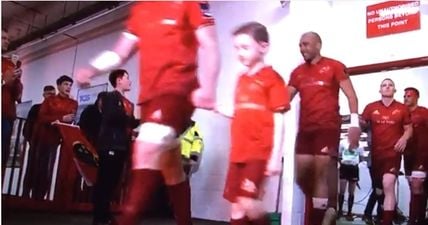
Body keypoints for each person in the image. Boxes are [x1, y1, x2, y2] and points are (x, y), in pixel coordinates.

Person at [75, 2, 220, 225]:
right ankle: (185, 221)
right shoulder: (141, 10)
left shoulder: (190, 3)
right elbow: (119, 53)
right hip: (151, 99)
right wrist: (92, 69)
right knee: (171, 166)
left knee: (148, 146)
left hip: (178, 90)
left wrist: (209, 86)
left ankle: (128, 219)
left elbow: (209, 45)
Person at [220, 21, 290, 225]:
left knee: (248, 202)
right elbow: (241, 113)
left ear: (263, 46)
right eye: (236, 48)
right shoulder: (241, 79)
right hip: (238, 153)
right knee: (236, 206)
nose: (240, 53)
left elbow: (279, 118)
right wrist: (216, 107)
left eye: (245, 47)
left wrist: (276, 157)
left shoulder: (272, 78)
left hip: (259, 152)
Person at [287, 31, 360, 225]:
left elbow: (352, 96)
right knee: (302, 176)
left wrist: (354, 124)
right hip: (305, 130)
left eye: (306, 44)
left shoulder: (334, 66)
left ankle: (325, 213)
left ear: (318, 45)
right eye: (300, 45)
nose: (302, 49)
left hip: (327, 127)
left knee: (320, 171)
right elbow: (285, 99)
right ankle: (330, 206)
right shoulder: (297, 72)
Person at [361, 78, 412, 225]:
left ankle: (387, 221)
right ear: (380, 90)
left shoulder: (402, 108)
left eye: (390, 85)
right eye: (384, 85)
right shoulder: (370, 107)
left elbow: (409, 129)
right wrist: (357, 125)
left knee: (388, 184)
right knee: (378, 190)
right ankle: (377, 215)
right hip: (376, 156)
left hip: (393, 154)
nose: (387, 87)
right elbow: (362, 125)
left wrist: (404, 139)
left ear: (394, 90)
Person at [92, 69, 139, 225]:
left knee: (113, 182)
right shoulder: (109, 97)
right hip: (110, 144)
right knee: (105, 181)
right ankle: (99, 217)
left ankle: (106, 214)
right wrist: (128, 119)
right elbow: (112, 116)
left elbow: (131, 122)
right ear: (119, 80)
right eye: (127, 78)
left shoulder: (128, 104)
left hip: (121, 146)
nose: (130, 81)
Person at [31, 75, 78, 200]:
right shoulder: (49, 100)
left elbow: (71, 120)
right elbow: (41, 117)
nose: (68, 87)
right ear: (58, 86)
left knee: (55, 169)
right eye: (65, 84)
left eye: (70, 85)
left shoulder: (73, 103)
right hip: (46, 137)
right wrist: (61, 118)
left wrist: (65, 121)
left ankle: (51, 198)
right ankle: (37, 197)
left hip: (62, 140)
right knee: (42, 168)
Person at [22, 85, 56, 197]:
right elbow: (28, 125)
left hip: (49, 144)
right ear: (44, 95)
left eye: (53, 94)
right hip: (36, 142)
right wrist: (31, 140)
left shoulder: (55, 111)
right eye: (49, 94)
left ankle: (39, 197)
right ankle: (26, 196)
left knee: (45, 171)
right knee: (32, 168)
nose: (51, 97)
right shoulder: (36, 108)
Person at [403, 87, 428, 225]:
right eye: (404, 96)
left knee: (417, 186)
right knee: (415, 189)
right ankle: (420, 218)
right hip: (408, 157)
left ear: (416, 97)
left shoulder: (424, 112)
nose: (406, 98)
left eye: (409, 95)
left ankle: (414, 221)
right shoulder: (402, 113)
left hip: (422, 155)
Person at [2, 29, 24, 176]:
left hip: (6, 116)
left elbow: (17, 96)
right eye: (3, 38)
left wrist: (16, 81)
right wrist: (4, 80)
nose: (7, 41)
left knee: (2, 155)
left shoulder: (9, 64)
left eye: (8, 38)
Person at [337, 135, 364, 221]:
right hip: (344, 167)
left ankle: (349, 212)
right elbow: (339, 154)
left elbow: (361, 157)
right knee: (341, 191)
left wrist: (354, 162)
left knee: (351, 192)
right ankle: (340, 211)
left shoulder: (360, 145)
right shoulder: (343, 142)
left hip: (354, 168)